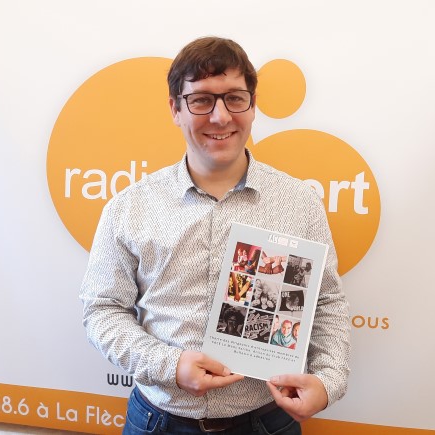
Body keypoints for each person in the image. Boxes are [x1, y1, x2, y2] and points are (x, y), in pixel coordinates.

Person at [80, 36, 350, 434]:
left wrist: (328, 381)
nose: (220, 117)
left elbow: (325, 302)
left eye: (235, 99)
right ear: (175, 108)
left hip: (267, 422)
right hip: (158, 421)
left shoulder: (299, 203)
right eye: (201, 100)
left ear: (253, 106)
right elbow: (102, 309)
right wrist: (169, 365)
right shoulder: (129, 207)